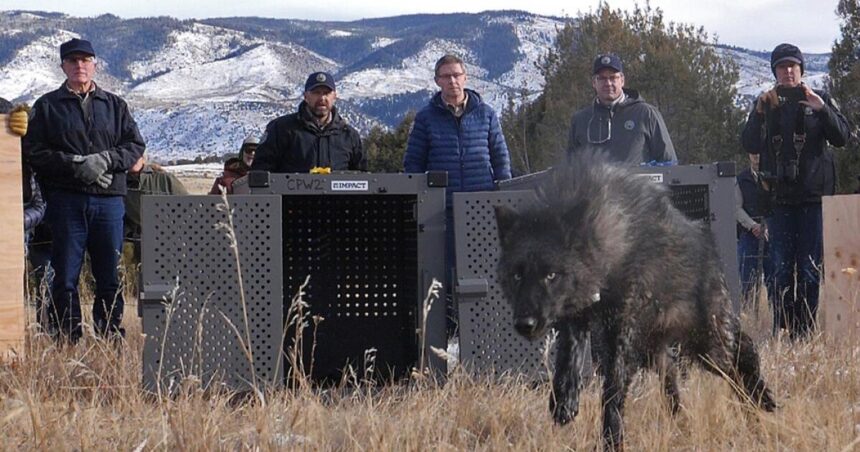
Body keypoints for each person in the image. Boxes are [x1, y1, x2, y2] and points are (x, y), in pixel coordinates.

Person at [22, 38, 146, 343]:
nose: (80, 65)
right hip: (66, 201)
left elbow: (134, 146)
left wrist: (105, 161)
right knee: (65, 275)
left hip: (109, 203)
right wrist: (74, 164)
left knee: (109, 275)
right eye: (73, 60)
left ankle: (109, 337)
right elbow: (34, 151)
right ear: (63, 66)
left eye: (85, 60)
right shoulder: (47, 106)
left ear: (95, 65)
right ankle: (67, 337)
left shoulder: (115, 105)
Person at [741, 43, 850, 339]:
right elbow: (749, 144)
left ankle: (805, 332)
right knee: (779, 270)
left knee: (810, 270)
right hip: (778, 201)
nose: (788, 71)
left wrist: (822, 109)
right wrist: (758, 114)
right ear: (774, 71)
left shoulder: (819, 98)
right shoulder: (766, 103)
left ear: (801, 70)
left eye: (793, 66)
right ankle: (782, 329)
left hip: (813, 200)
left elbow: (842, 137)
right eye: (781, 66)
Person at [403, 54, 512, 333]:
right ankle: (449, 330)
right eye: (446, 76)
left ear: (465, 77)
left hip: (482, 207)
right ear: (437, 81)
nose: (452, 81)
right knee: (446, 272)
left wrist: (502, 196)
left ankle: (485, 328)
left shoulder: (486, 114)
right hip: (443, 210)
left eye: (456, 75)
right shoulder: (426, 119)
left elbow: (500, 158)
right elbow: (413, 164)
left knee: (485, 269)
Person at [566, 53, 677, 164]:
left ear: (622, 80)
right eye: (602, 78)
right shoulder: (580, 120)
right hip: (593, 176)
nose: (608, 83)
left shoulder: (646, 113)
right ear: (594, 83)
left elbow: (668, 162)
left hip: (636, 176)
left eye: (613, 77)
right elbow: (571, 166)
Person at [251, 72, 365, 173]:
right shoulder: (281, 129)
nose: (322, 98)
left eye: (326, 93)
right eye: (316, 93)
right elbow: (261, 169)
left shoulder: (349, 136)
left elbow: (363, 177)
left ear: (334, 97)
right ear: (306, 96)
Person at [125, 156, 189, 262]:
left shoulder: (165, 179)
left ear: (143, 158)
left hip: (169, 242)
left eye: (136, 155)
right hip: (137, 242)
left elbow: (188, 208)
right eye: (129, 155)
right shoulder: (119, 183)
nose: (133, 158)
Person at [736, 153, 773, 309]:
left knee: (775, 280)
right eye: (753, 153)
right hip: (749, 234)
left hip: (772, 235)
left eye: (759, 152)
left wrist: (769, 227)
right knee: (747, 281)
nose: (756, 156)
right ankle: (747, 316)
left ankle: (777, 316)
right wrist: (753, 226)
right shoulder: (740, 179)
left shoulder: (774, 176)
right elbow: (736, 208)